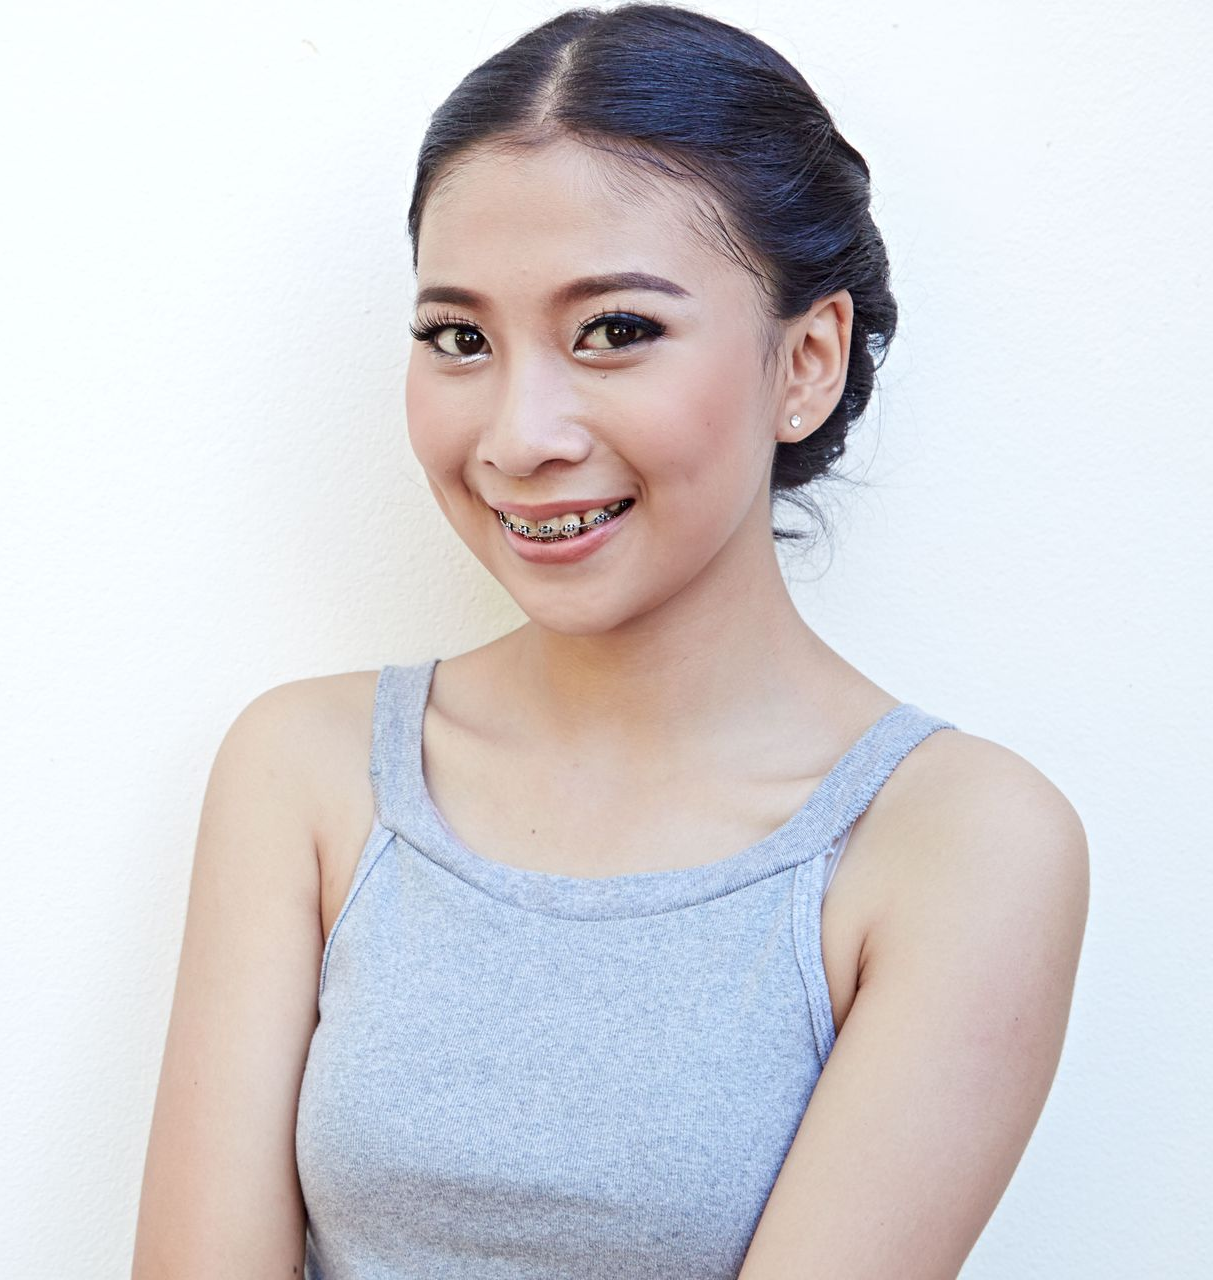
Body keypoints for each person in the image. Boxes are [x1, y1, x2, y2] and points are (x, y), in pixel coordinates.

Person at [131, 4, 1089, 1277]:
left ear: (805, 361)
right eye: (458, 338)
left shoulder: (958, 840)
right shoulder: (305, 770)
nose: (520, 434)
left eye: (616, 331)